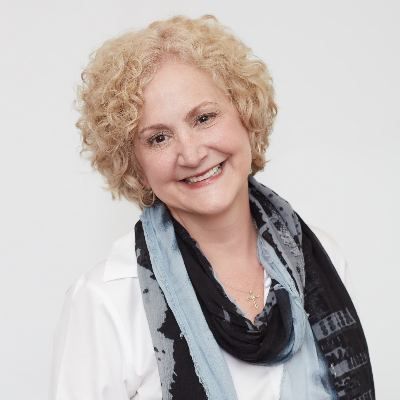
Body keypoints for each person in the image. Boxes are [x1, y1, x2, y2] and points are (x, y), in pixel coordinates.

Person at [50, 15, 374, 400]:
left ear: (245, 115)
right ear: (135, 165)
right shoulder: (108, 300)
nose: (191, 154)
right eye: (158, 138)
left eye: (204, 118)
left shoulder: (320, 259)